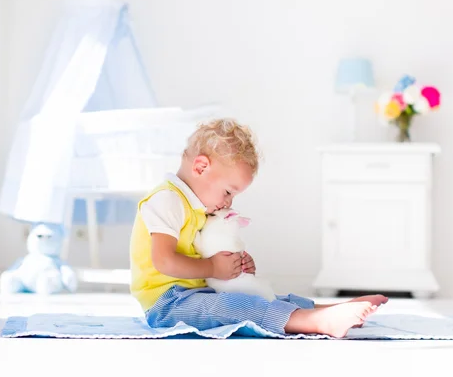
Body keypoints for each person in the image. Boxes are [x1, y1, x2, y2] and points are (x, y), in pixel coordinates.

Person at [130, 118, 388, 338]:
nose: (228, 202)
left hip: (197, 292)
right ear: (201, 167)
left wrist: (235, 265)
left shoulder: (197, 207)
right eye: (228, 191)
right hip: (167, 304)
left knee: (266, 298)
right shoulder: (167, 200)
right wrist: (213, 267)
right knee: (236, 306)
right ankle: (314, 322)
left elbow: (205, 251)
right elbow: (163, 261)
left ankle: (325, 308)